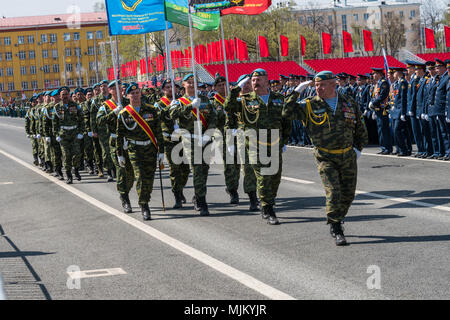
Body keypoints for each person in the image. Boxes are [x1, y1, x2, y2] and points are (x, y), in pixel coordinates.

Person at [284, 70, 368, 246]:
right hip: (324, 156)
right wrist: (296, 91)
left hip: (347, 155)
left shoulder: (348, 102)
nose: (318, 88)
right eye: (315, 85)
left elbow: (360, 126)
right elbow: (286, 113)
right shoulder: (309, 105)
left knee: (348, 194)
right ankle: (336, 226)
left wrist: (358, 148)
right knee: (333, 192)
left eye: (322, 85)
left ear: (333, 84)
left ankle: (338, 217)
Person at [225, 69, 291, 225]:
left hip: (274, 143)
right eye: (253, 80)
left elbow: (286, 121)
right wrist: (236, 89)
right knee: (262, 176)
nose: (255, 83)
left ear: (267, 82)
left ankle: (269, 200)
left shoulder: (279, 99)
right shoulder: (245, 100)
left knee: (275, 177)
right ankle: (268, 209)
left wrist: (285, 141)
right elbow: (228, 107)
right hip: (254, 144)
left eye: (259, 80)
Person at [169, 74, 217, 216]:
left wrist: (209, 133)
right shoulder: (178, 102)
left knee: (204, 169)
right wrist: (190, 106)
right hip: (190, 139)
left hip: (206, 138)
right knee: (197, 169)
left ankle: (197, 195)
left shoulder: (205, 100)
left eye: (193, 82)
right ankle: (202, 202)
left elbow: (213, 117)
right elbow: (172, 114)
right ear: (183, 85)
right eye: (188, 83)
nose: (191, 85)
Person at [116, 83, 164, 221]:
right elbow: (119, 135)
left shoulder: (151, 110)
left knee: (149, 178)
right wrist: (119, 154)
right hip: (134, 150)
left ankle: (145, 198)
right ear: (128, 96)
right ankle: (144, 205)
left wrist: (161, 151)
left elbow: (158, 131)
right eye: (133, 93)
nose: (136, 95)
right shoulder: (124, 114)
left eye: (138, 92)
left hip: (150, 148)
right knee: (141, 177)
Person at [98, 80, 135, 213]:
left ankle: (124, 190)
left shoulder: (128, 102)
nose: (118, 90)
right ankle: (125, 198)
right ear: (110, 90)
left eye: (120, 87)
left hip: (130, 140)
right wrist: (113, 113)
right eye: (114, 88)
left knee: (131, 172)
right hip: (115, 142)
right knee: (121, 170)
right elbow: (100, 121)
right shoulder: (105, 105)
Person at [224, 74, 260, 212]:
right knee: (248, 168)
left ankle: (263, 195)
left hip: (259, 137)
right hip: (241, 137)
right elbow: (228, 112)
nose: (246, 86)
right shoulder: (236, 101)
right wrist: (230, 142)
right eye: (243, 83)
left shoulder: (257, 99)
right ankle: (252, 198)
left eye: (248, 83)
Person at [155, 79, 190, 209]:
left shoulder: (181, 101)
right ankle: (177, 195)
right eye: (168, 87)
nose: (171, 89)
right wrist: (171, 107)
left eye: (173, 87)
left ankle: (180, 189)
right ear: (163, 89)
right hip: (169, 140)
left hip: (183, 139)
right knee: (174, 170)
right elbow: (159, 117)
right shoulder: (159, 104)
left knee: (185, 169)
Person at [211, 73, 240, 204]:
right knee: (229, 164)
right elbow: (214, 121)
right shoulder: (213, 102)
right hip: (221, 135)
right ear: (215, 88)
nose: (223, 87)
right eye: (220, 85)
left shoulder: (233, 99)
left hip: (235, 134)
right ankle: (232, 190)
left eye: (224, 85)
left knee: (237, 164)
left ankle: (233, 186)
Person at [52, 86, 85, 184]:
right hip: (63, 135)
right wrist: (56, 134)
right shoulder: (57, 107)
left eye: (66, 94)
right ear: (60, 96)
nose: (65, 96)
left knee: (77, 154)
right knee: (66, 155)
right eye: (63, 95)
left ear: (69, 95)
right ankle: (69, 176)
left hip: (74, 133)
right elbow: (55, 122)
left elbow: (81, 119)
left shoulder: (75, 105)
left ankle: (76, 169)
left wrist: (81, 132)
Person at [369, 68, 392, 155]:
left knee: (384, 129)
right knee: (380, 129)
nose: (373, 75)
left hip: (383, 110)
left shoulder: (383, 83)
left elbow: (382, 95)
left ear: (379, 74)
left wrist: (374, 102)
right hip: (378, 110)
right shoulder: (377, 84)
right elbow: (375, 95)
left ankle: (387, 148)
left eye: (374, 74)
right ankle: (383, 147)